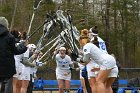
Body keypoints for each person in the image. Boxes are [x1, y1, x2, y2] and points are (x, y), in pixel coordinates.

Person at [0, 17, 27, 93]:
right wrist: (24, 47)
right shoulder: (9, 36)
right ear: (6, 25)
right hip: (7, 66)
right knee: (8, 85)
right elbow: (16, 51)